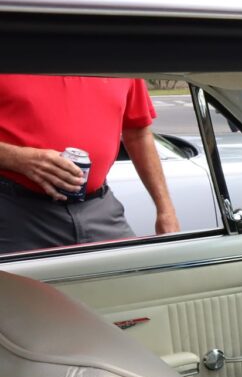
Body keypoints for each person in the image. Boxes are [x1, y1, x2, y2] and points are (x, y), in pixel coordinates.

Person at [0, 75, 180, 254]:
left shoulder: (118, 57)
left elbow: (138, 133)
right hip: (16, 211)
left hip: (100, 210)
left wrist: (166, 210)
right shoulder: (16, 51)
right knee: (18, 283)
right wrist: (19, 159)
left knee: (134, 279)